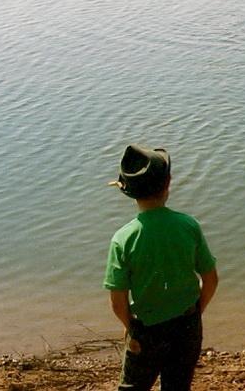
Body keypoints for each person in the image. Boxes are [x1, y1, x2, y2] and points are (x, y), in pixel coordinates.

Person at [104, 144, 218, 391]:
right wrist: (197, 311)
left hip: (147, 330)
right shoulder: (188, 226)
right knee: (177, 385)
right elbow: (211, 279)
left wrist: (130, 327)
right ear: (168, 184)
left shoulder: (123, 239)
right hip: (188, 325)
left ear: (128, 191)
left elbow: (117, 301)